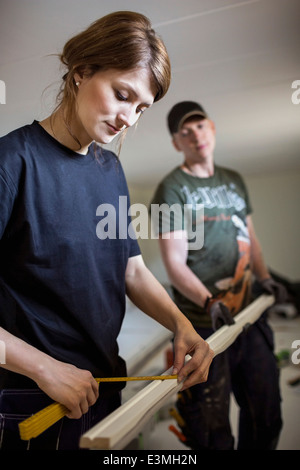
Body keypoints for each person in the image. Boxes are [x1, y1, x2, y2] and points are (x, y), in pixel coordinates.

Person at [0, 16, 213, 451]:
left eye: (141, 108)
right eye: (122, 95)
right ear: (81, 71)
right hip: (34, 398)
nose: (128, 119)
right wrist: (44, 369)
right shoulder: (12, 162)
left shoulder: (109, 168)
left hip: (104, 385)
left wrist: (181, 324)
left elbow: (130, 270)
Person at [150, 101, 289, 450]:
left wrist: (264, 275)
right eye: (185, 131)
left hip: (248, 316)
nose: (195, 135)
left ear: (211, 128)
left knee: (267, 412)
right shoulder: (172, 189)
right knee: (210, 430)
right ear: (176, 143)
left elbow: (250, 237)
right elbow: (175, 263)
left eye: (200, 126)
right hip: (202, 325)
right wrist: (208, 301)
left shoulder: (234, 180)